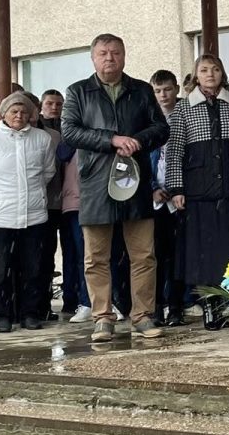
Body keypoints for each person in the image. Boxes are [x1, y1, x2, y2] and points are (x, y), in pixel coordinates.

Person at [62, 33, 169, 342]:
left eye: (116, 52)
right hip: (96, 183)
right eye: (103, 53)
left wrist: (138, 140)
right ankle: (102, 317)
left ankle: (143, 316)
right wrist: (111, 140)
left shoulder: (141, 90)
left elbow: (161, 128)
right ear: (93, 58)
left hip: (135, 180)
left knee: (143, 254)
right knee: (96, 257)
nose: (110, 58)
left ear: (124, 55)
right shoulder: (78, 91)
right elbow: (70, 131)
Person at [164, 54, 229, 327]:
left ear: (223, 73)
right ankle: (209, 306)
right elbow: (175, 150)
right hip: (197, 191)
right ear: (196, 75)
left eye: (216, 69)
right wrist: (176, 188)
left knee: (226, 251)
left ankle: (221, 304)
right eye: (204, 70)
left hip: (228, 189)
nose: (210, 74)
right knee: (200, 251)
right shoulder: (183, 108)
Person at [0, 92, 56, 333]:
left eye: (24, 111)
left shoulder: (42, 139)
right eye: (14, 111)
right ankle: (3, 315)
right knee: (0, 268)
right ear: (3, 114)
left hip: (33, 214)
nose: (19, 115)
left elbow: (47, 172)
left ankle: (30, 313)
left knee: (33, 267)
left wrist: (34, 194)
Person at [148, 69, 188, 326]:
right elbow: (142, 158)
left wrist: (178, 188)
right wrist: (152, 187)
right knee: (154, 255)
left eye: (167, 89)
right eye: (158, 91)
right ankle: (155, 307)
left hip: (179, 195)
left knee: (177, 255)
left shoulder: (186, 115)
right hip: (155, 197)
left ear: (176, 89)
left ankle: (176, 307)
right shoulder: (148, 119)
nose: (163, 95)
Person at [36, 89, 67, 322]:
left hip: (66, 199)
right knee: (44, 254)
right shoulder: (40, 132)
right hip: (44, 201)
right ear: (41, 106)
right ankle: (42, 303)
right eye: (50, 103)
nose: (54, 107)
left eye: (58, 104)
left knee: (69, 251)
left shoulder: (66, 128)